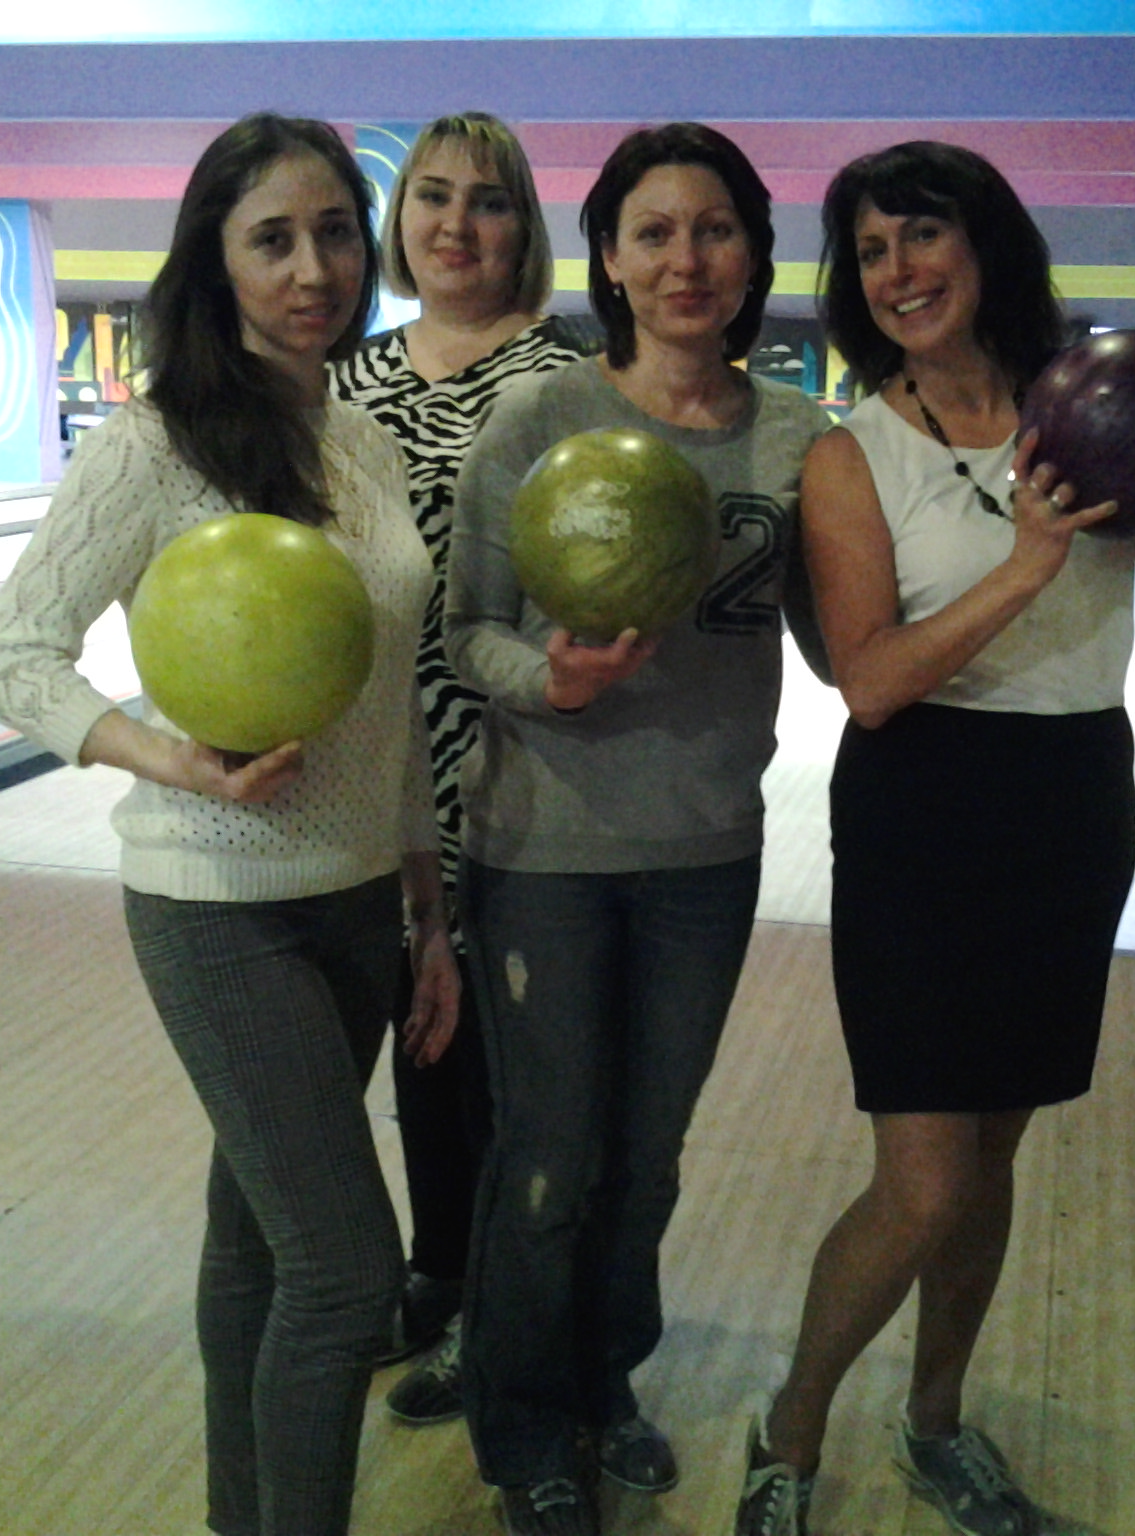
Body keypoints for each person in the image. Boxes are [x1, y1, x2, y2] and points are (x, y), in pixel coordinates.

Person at [732, 142, 1135, 1536]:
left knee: (993, 1158)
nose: (896, 272)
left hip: (1072, 799)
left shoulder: (1087, 410)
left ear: (985, 245)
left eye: (920, 236)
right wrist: (1026, 565)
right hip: (922, 809)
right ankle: (789, 1427)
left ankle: (938, 1422)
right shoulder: (854, 454)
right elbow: (869, 681)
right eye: (870, 252)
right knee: (924, 1182)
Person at [0, 113, 457, 1536]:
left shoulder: (361, 441)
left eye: (335, 233)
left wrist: (430, 910)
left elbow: (391, 696)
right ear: (215, 260)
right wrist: (167, 759)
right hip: (217, 905)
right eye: (272, 239)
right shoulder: (155, 443)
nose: (314, 269)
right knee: (347, 1275)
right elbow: (10, 657)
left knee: (257, 1244)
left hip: (359, 896)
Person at [445, 122, 831, 1536]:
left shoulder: (799, 439)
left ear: (752, 254)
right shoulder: (538, 423)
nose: (685, 259)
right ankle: (522, 1429)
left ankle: (604, 1383)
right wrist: (542, 681)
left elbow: (842, 640)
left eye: (714, 229)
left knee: (647, 1157)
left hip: (705, 849)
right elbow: (466, 630)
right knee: (549, 1159)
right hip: (543, 848)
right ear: (607, 256)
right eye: (653, 232)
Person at [328, 111, 588, 1409]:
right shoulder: (346, 377)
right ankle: (441, 1270)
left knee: (503, 1057)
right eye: (431, 196)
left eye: (487, 202)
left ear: (521, 227)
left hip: (519, 763)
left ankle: (510, 1309)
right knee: (422, 1039)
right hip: (378, 768)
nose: (454, 223)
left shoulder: (565, 377)